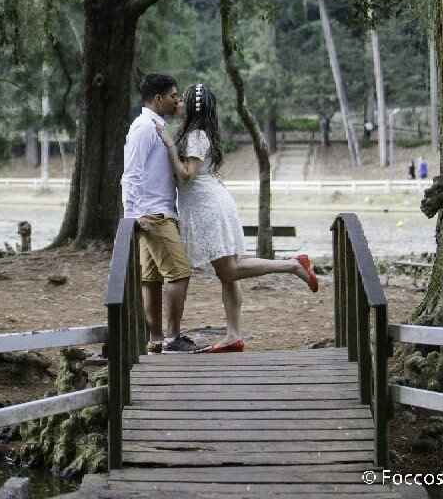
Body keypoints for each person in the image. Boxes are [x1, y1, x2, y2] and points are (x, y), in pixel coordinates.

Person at [156, 82, 319, 354]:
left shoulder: (195, 135)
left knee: (229, 270)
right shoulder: (196, 133)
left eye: (182, 99)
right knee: (229, 273)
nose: (178, 104)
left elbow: (187, 173)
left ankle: (293, 265)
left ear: (193, 106)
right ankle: (233, 335)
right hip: (210, 201)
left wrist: (170, 147)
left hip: (207, 206)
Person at [121, 73, 195, 353]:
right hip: (154, 215)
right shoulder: (145, 128)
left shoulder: (155, 126)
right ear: (158, 98)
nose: (177, 100)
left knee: (151, 278)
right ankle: (173, 337)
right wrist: (132, 216)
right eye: (174, 95)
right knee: (179, 273)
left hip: (154, 211)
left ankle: (155, 340)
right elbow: (131, 174)